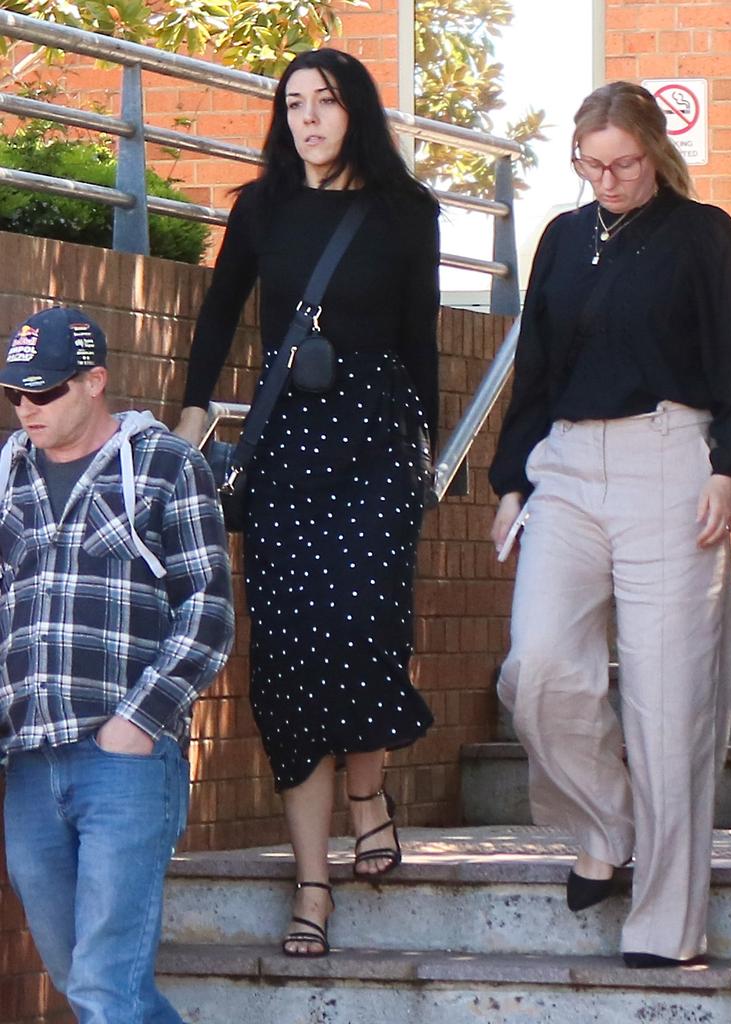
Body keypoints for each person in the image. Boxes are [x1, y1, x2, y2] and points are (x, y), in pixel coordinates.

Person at [489, 81, 731, 968]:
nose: (606, 179)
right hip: (566, 467)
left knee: (669, 703)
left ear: (655, 152)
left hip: (670, 462)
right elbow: (533, 365)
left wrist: (729, 467)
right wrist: (508, 480)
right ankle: (605, 821)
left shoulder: (703, 234)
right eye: (591, 165)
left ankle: (666, 928)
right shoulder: (564, 240)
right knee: (536, 667)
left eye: (624, 163)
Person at [174, 48, 438, 957]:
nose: (309, 119)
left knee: (365, 626)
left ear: (355, 110)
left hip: (375, 444)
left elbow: (421, 339)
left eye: (325, 102)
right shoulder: (261, 208)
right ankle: (312, 883)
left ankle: (367, 792)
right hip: (287, 442)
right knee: (287, 655)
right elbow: (217, 314)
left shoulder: (406, 213)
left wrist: (425, 459)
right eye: (294, 104)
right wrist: (192, 416)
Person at [0, 304, 235, 1021]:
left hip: (124, 761)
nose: (25, 409)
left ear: (95, 381)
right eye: (15, 393)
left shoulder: (165, 465)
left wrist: (137, 724)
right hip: (29, 764)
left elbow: (209, 611)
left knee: (104, 987)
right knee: (89, 982)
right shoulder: (7, 475)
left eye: (45, 393)